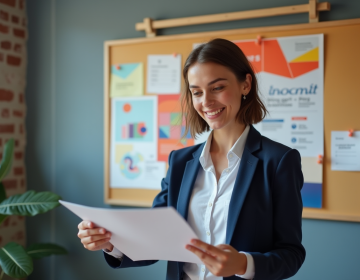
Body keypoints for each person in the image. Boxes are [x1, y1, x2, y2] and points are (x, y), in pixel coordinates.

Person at [77, 38, 305, 280]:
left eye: (217, 88)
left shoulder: (279, 161)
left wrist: (242, 264)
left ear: (245, 84)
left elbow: (291, 254)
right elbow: (156, 239)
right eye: (197, 92)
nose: (206, 102)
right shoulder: (179, 162)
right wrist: (109, 242)